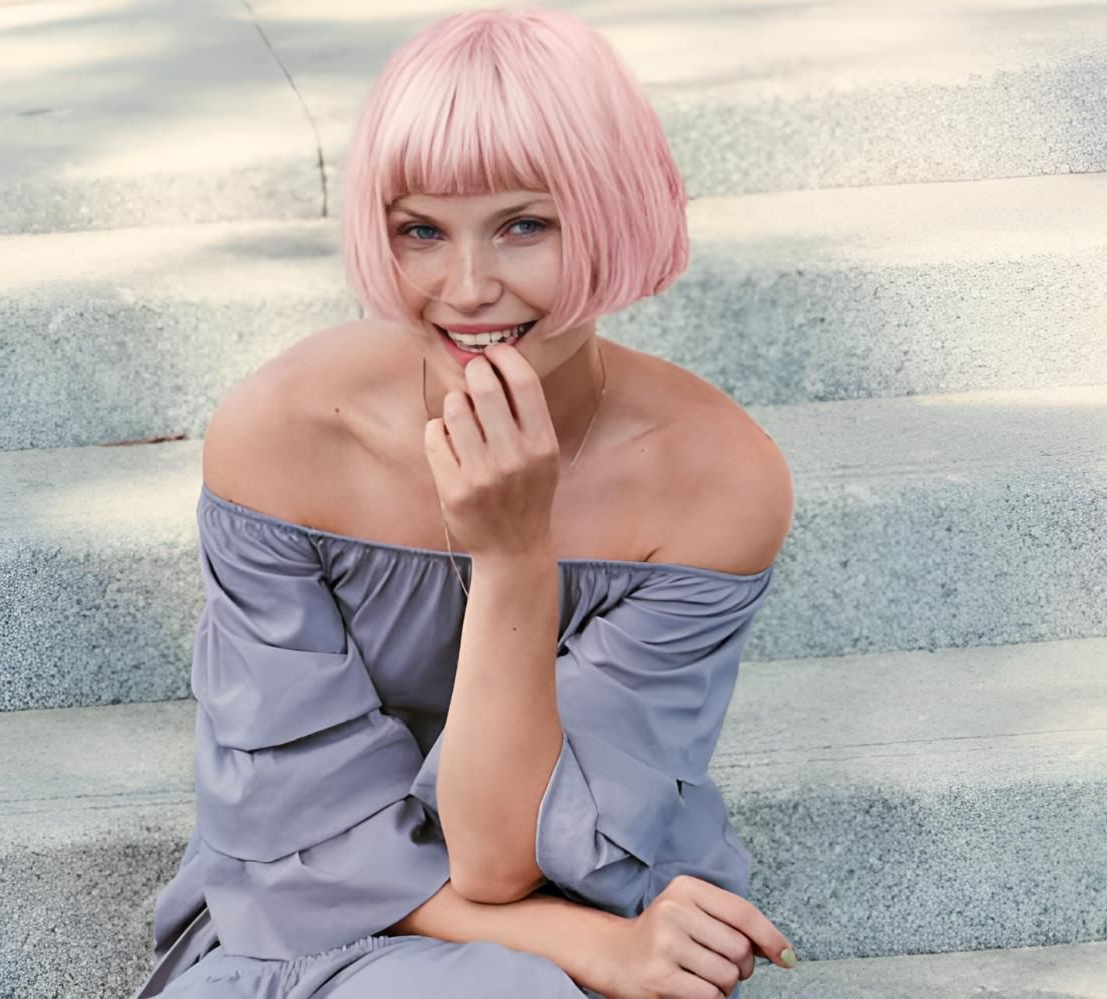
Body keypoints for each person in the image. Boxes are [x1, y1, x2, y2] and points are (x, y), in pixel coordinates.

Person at [133, 7, 797, 998]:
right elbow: (299, 842)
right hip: (303, 921)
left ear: (613, 212)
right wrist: (582, 950)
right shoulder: (284, 438)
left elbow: (507, 855)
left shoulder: (710, 479)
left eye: (523, 224)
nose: (468, 285)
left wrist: (513, 553)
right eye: (419, 232)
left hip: (593, 895)